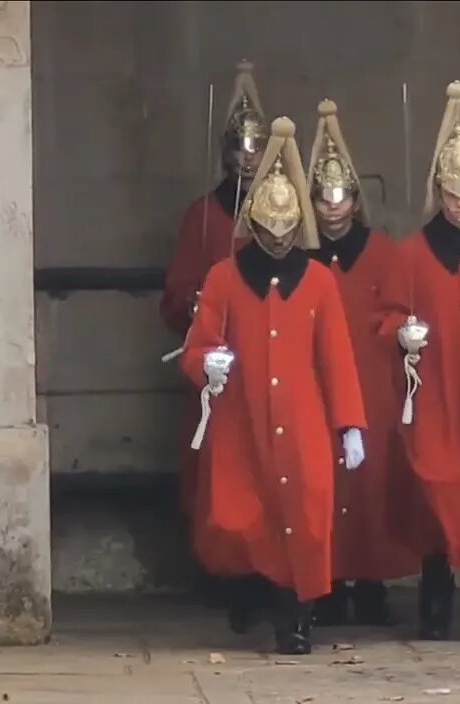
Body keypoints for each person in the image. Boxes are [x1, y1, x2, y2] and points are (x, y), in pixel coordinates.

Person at [181, 116, 368, 655]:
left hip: (304, 421)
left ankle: (299, 617)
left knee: (307, 519)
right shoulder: (222, 276)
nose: (280, 241)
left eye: (288, 232)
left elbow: (337, 358)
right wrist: (206, 366)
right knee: (246, 517)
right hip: (244, 420)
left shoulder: (319, 282)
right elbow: (198, 347)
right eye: (271, 231)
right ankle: (253, 593)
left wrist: (350, 423)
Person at [376, 80, 460, 643]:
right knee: (437, 493)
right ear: (439, 191)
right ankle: (435, 603)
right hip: (435, 398)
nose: (459, 204)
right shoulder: (410, 254)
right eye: (450, 194)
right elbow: (383, 319)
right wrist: (401, 335)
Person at [302, 99, 437, 627]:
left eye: (341, 197)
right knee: (325, 482)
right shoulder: (302, 261)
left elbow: (399, 308)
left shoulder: (383, 251)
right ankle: (328, 581)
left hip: (373, 382)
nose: (333, 207)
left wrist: (396, 332)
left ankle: (372, 581)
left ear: (355, 201)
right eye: (323, 197)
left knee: (372, 484)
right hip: (318, 381)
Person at [159, 61, 267, 620]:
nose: (249, 158)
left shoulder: (281, 215)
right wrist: (197, 307)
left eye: (258, 148)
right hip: (218, 369)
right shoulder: (203, 216)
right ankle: (221, 573)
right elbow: (174, 297)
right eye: (242, 148)